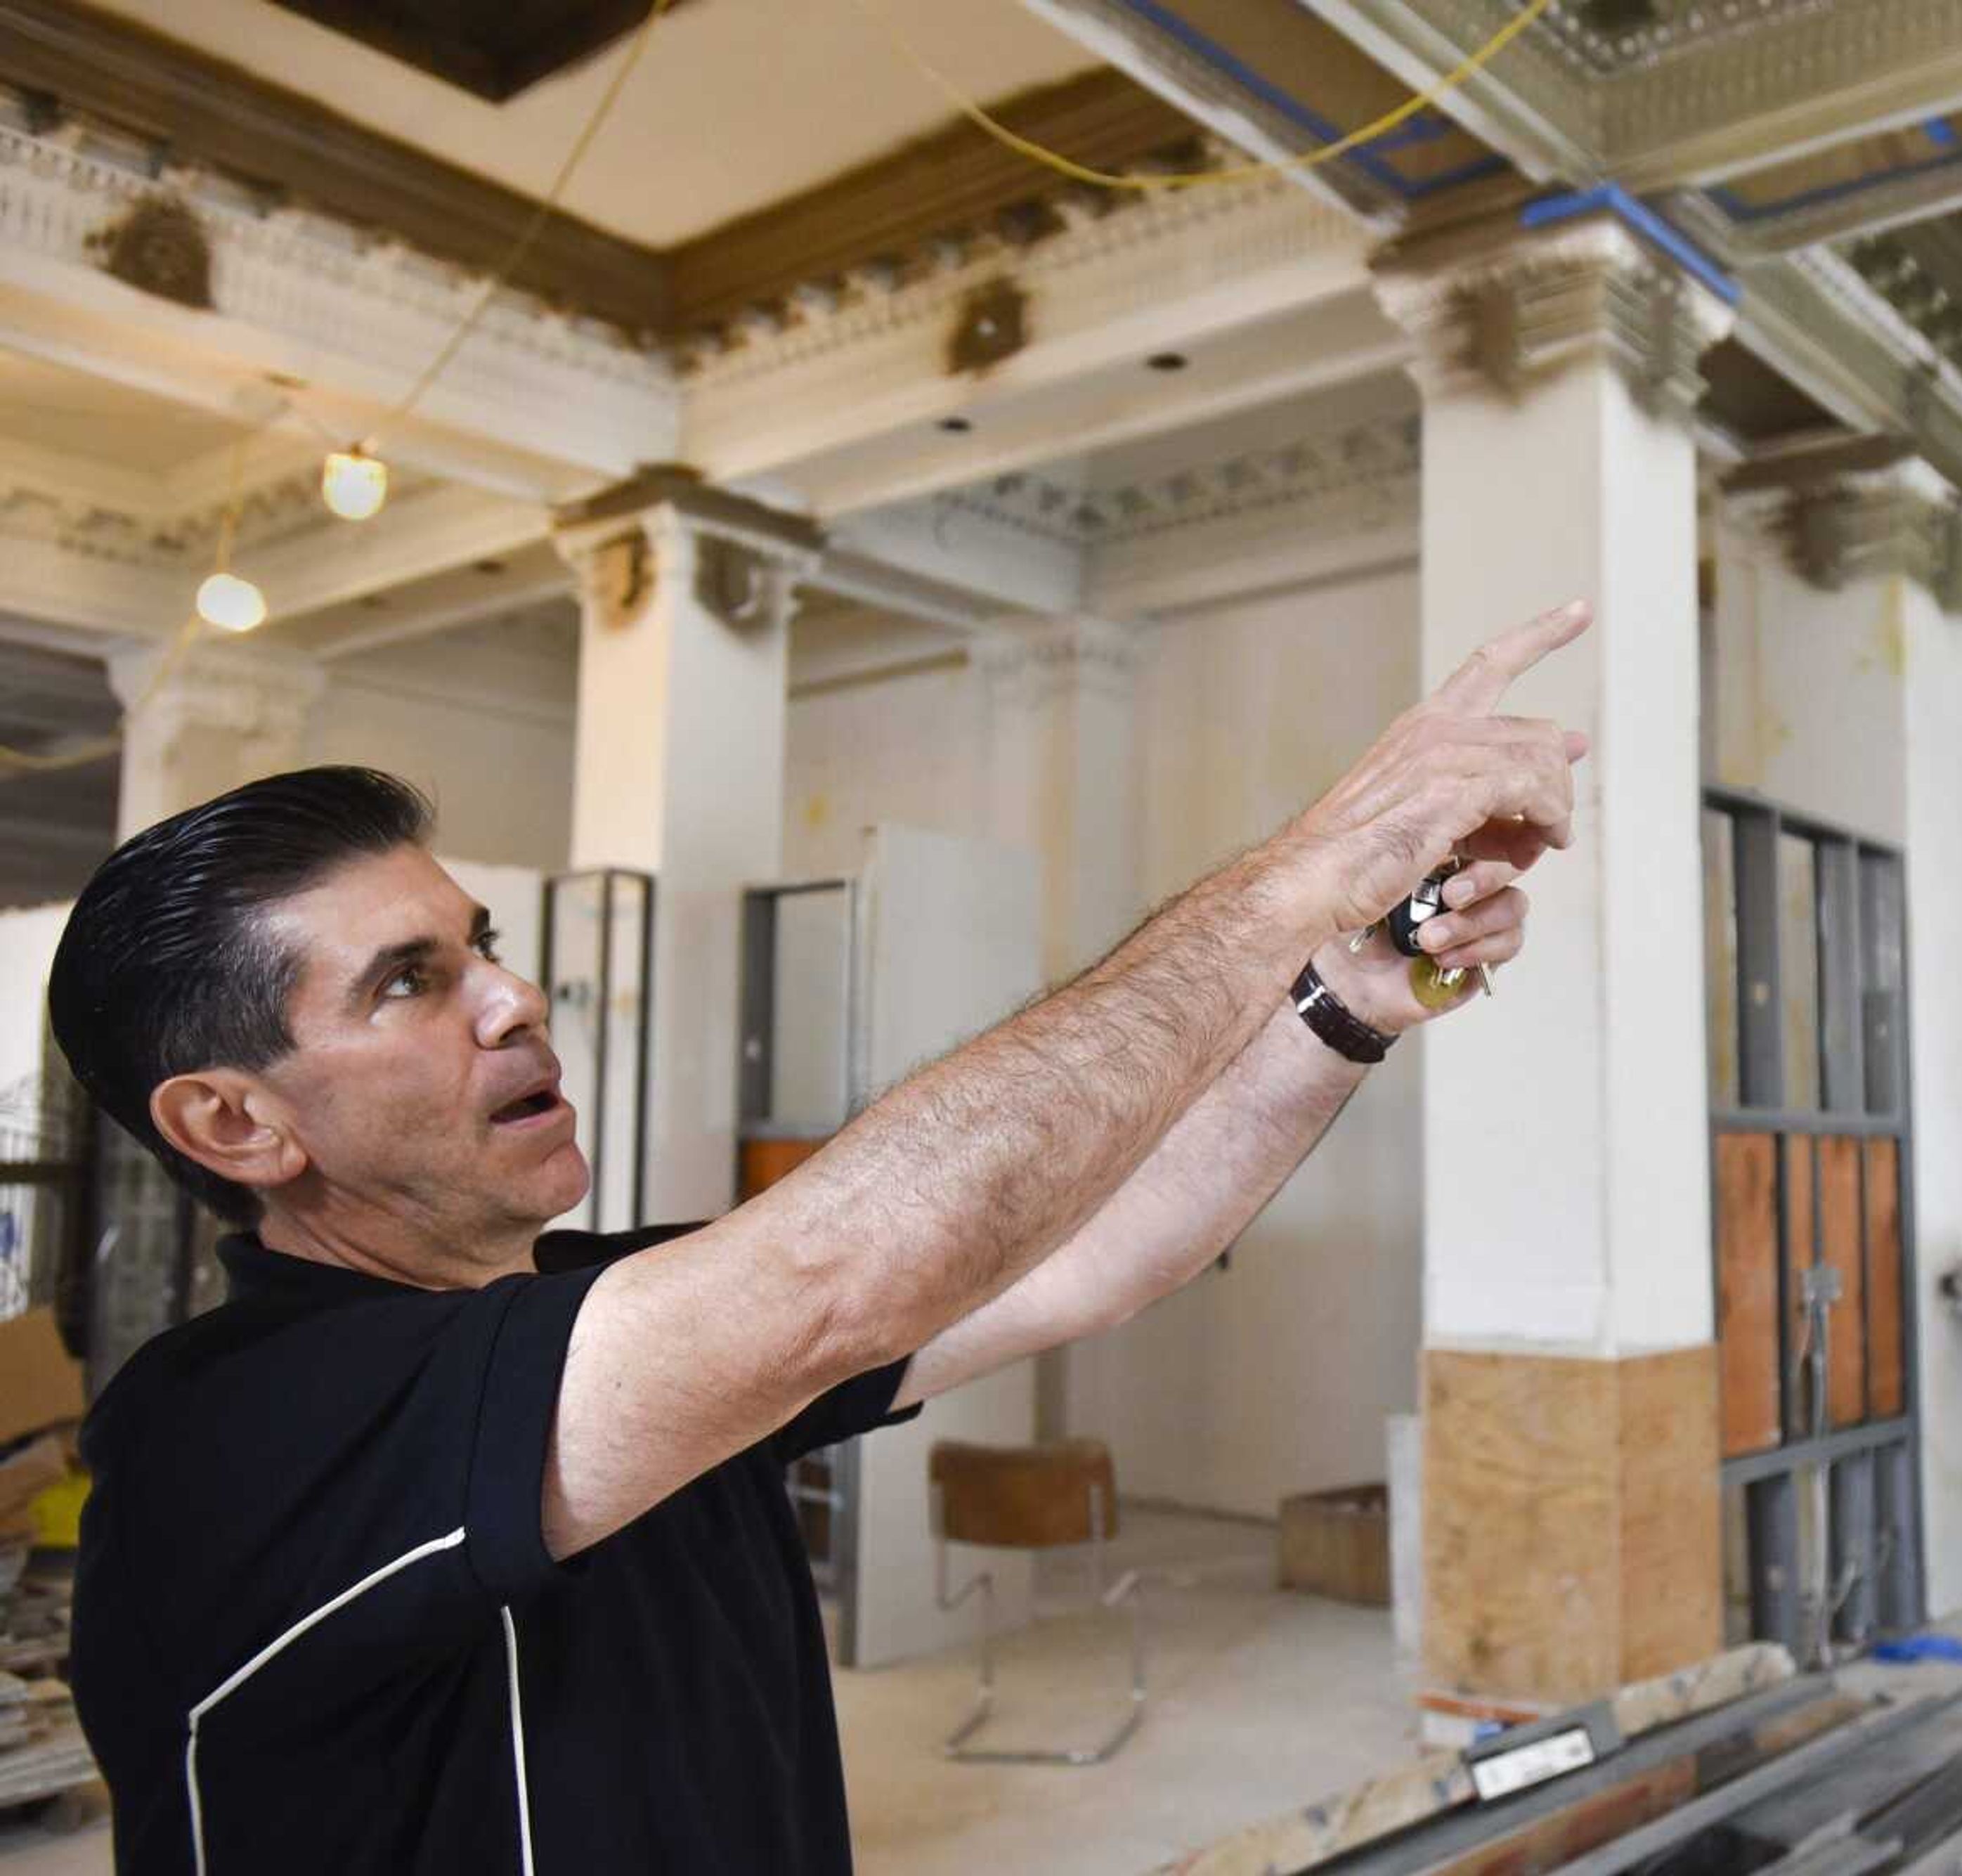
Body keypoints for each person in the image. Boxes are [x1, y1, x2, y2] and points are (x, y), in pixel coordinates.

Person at [48, 601, 1594, 1875]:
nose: (514, 999)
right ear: (238, 1126)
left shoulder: (605, 1305)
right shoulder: (224, 1430)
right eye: (406, 980)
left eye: (485, 949)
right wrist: (1306, 871)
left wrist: (1345, 1002)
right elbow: (837, 1274)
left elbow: (1096, 1251)